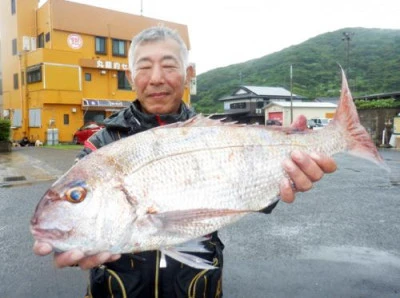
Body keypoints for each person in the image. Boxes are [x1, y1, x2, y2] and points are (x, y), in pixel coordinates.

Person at [33, 26, 337, 297]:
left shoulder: (213, 133)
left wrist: (288, 178)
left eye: (169, 66)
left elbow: (250, 190)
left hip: (197, 286)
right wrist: (70, 239)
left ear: (189, 73)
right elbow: (80, 212)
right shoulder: (101, 145)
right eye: (144, 67)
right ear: (130, 76)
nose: (156, 79)